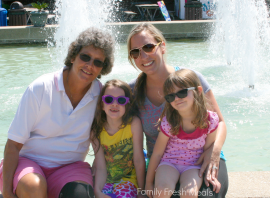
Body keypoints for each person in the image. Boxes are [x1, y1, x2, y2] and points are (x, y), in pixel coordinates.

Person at [0, 27, 115, 198]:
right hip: (28, 165)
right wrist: (7, 192)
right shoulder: (40, 88)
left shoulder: (101, 96)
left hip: (70, 168)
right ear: (73, 56)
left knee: (80, 195)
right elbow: (13, 145)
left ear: (103, 68)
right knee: (34, 188)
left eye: (98, 62)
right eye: (85, 57)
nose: (90, 65)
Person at [127, 23, 228, 198]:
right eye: (135, 52)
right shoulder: (133, 92)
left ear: (162, 46)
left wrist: (214, 151)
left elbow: (219, 122)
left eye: (148, 47)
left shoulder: (189, 78)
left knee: (208, 196)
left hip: (201, 157)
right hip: (163, 165)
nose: (143, 56)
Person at [145, 69, 220, 198]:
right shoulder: (169, 121)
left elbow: (208, 151)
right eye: (171, 96)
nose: (177, 98)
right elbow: (157, 154)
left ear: (198, 91)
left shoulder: (210, 120)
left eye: (182, 92)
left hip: (193, 165)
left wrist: (211, 176)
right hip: (169, 163)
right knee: (161, 191)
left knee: (189, 193)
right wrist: (148, 182)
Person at [91, 79, 146, 198]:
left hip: (129, 179)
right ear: (102, 104)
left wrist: (141, 191)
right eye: (109, 99)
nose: (114, 104)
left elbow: (138, 159)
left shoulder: (133, 124)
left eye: (121, 100)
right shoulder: (96, 130)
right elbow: (100, 167)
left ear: (127, 104)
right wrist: (97, 191)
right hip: (107, 179)